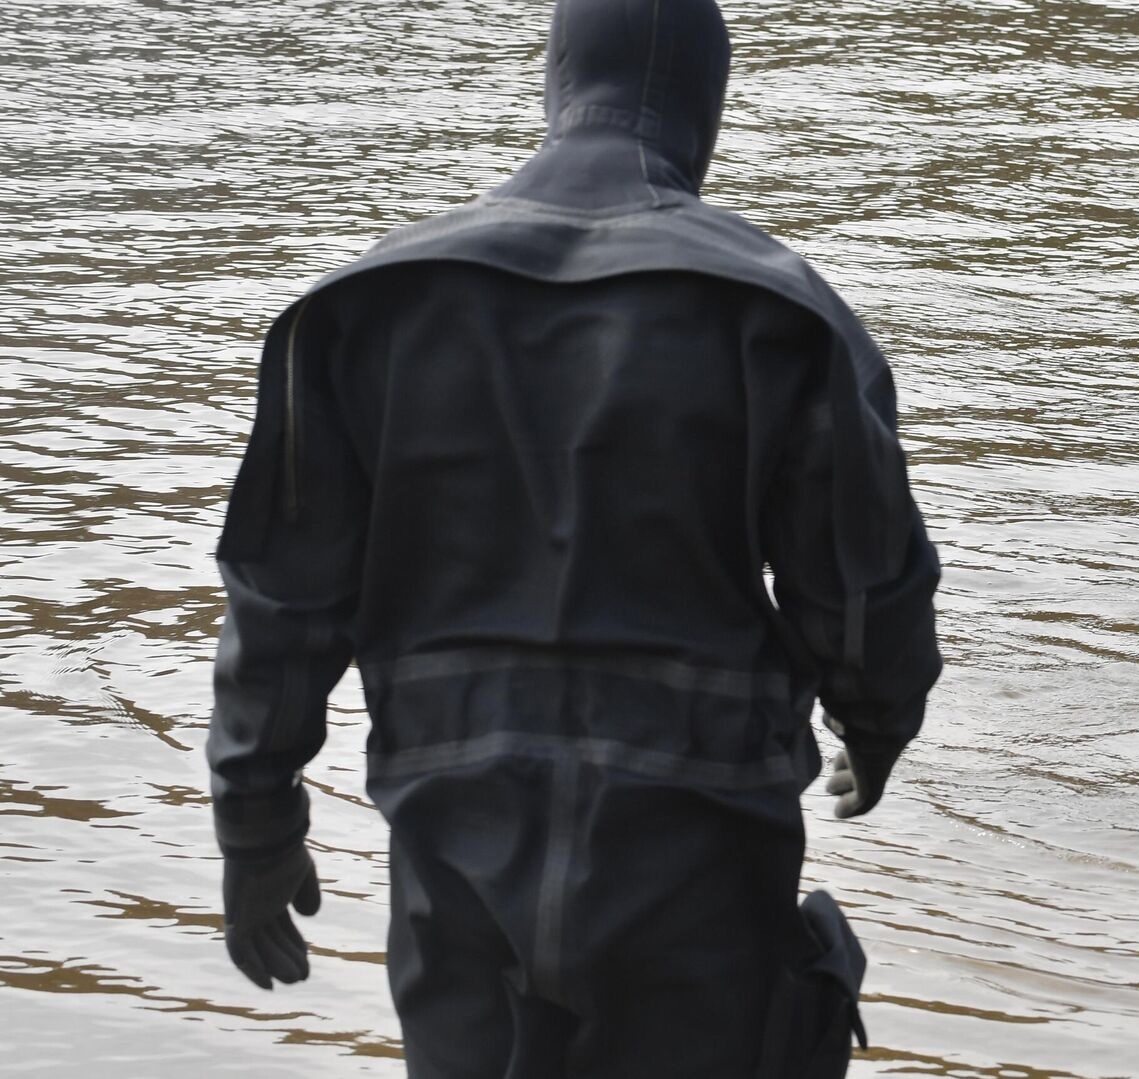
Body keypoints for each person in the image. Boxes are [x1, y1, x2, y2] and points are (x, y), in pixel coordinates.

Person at [204, 1, 942, 1075]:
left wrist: (254, 821)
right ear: (709, 109)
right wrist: (875, 725)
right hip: (698, 847)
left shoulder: (366, 305)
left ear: (554, 85)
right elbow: (867, 590)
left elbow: (282, 600)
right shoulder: (780, 312)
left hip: (456, 831)